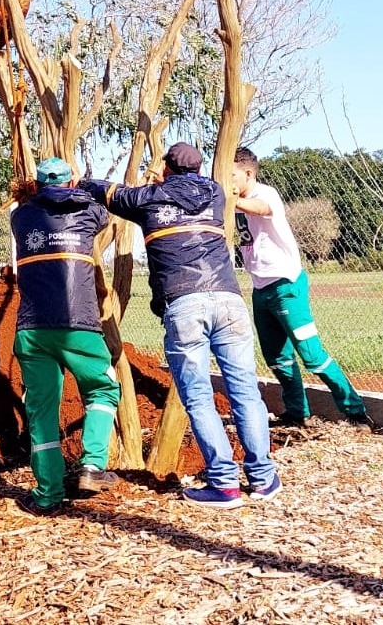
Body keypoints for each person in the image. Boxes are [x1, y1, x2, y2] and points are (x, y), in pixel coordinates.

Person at [80, 142, 280, 510]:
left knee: (199, 395)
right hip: (229, 300)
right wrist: (165, 182)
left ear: (166, 168)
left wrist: (79, 180)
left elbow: (108, 193)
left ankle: (223, 483)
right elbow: (181, 193)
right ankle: (263, 478)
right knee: (245, 390)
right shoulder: (216, 194)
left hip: (185, 304)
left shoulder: (147, 199)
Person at [10, 156, 121, 516]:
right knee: (103, 388)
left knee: (41, 411)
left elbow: (33, 203)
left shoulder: (21, 217)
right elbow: (105, 212)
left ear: (38, 184)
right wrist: (83, 185)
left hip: (32, 329)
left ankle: (47, 496)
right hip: (81, 326)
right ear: (71, 183)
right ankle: (91, 464)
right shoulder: (89, 212)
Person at [232, 147, 372, 430]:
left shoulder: (264, 194)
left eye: (231, 175)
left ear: (248, 173)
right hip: (260, 290)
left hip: (287, 286)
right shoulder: (234, 201)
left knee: (311, 354)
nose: (228, 181)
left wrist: (229, 198)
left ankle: (356, 412)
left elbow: (260, 209)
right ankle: (297, 413)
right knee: (277, 357)